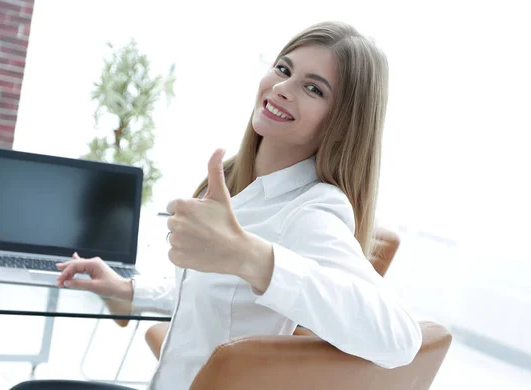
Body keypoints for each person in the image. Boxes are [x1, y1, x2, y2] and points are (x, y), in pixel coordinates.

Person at [56, 20, 423, 390]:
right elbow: (215, 296)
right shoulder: (234, 183)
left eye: (313, 88)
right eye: (283, 69)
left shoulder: (311, 213)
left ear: (343, 121)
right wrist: (126, 288)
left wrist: (253, 258)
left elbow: (402, 340)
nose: (282, 88)